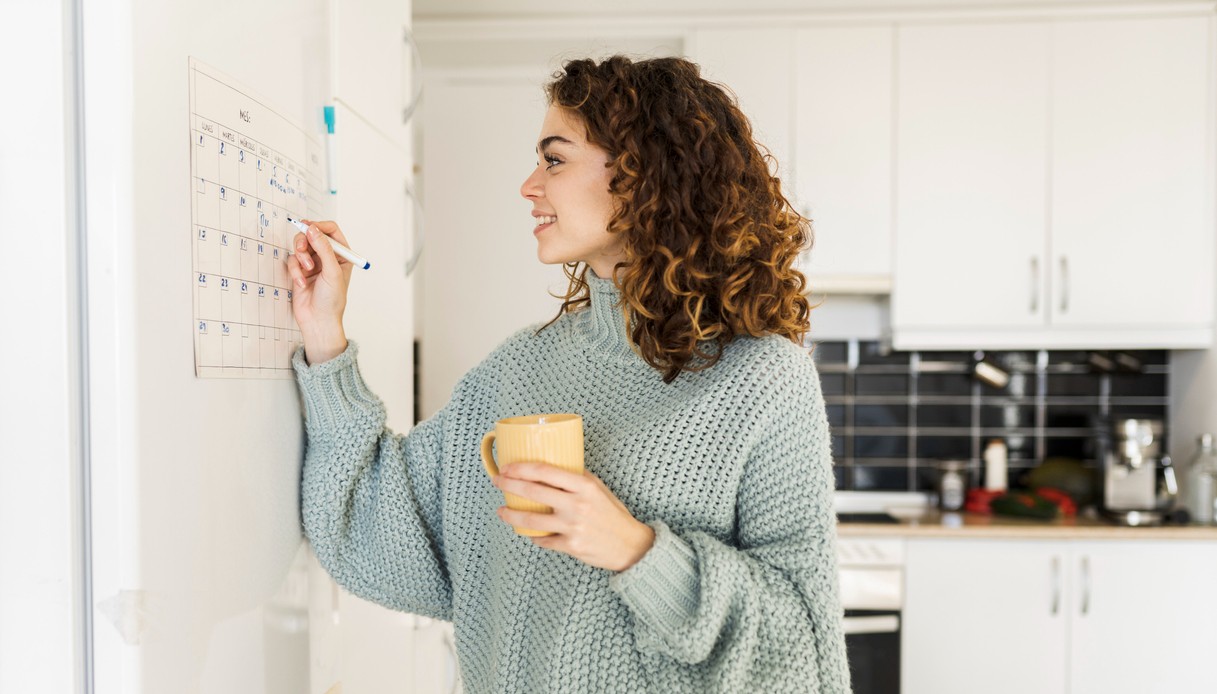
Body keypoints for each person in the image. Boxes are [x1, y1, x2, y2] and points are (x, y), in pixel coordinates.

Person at [287, 55, 849, 693]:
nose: (529, 185)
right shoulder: (520, 367)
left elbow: (802, 647)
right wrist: (325, 337)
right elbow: (373, 528)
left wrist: (637, 551)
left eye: (554, 159)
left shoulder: (765, 379)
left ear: (645, 175)